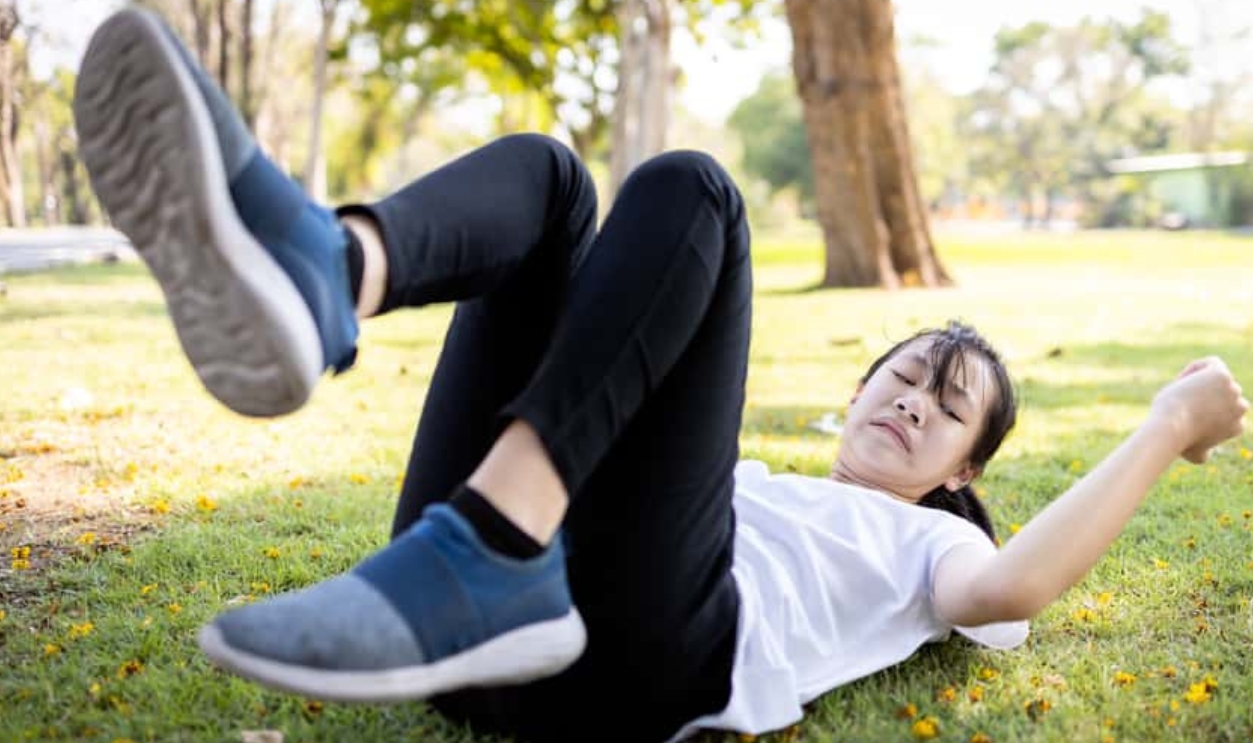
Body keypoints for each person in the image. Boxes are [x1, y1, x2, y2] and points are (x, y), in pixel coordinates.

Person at [74, 9, 1248, 743]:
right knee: (551, 178)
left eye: (946, 410)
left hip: (643, 663)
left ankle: (488, 547)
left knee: (695, 191)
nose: (909, 400)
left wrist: (1164, 422)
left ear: (959, 474)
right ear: (851, 393)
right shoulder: (735, 486)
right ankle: (331, 266)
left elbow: (1009, 588)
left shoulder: (928, 544)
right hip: (471, 663)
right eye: (901, 375)